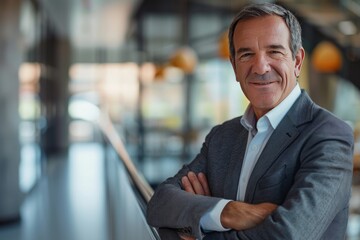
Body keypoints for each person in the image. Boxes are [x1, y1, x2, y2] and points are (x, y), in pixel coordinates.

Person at [146, 3, 354, 240]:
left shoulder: (329, 134)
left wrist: (199, 224)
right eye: (246, 54)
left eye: (274, 51)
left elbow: (288, 235)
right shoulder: (222, 137)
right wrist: (229, 212)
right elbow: (159, 205)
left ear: (297, 61)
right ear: (234, 67)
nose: (260, 67)